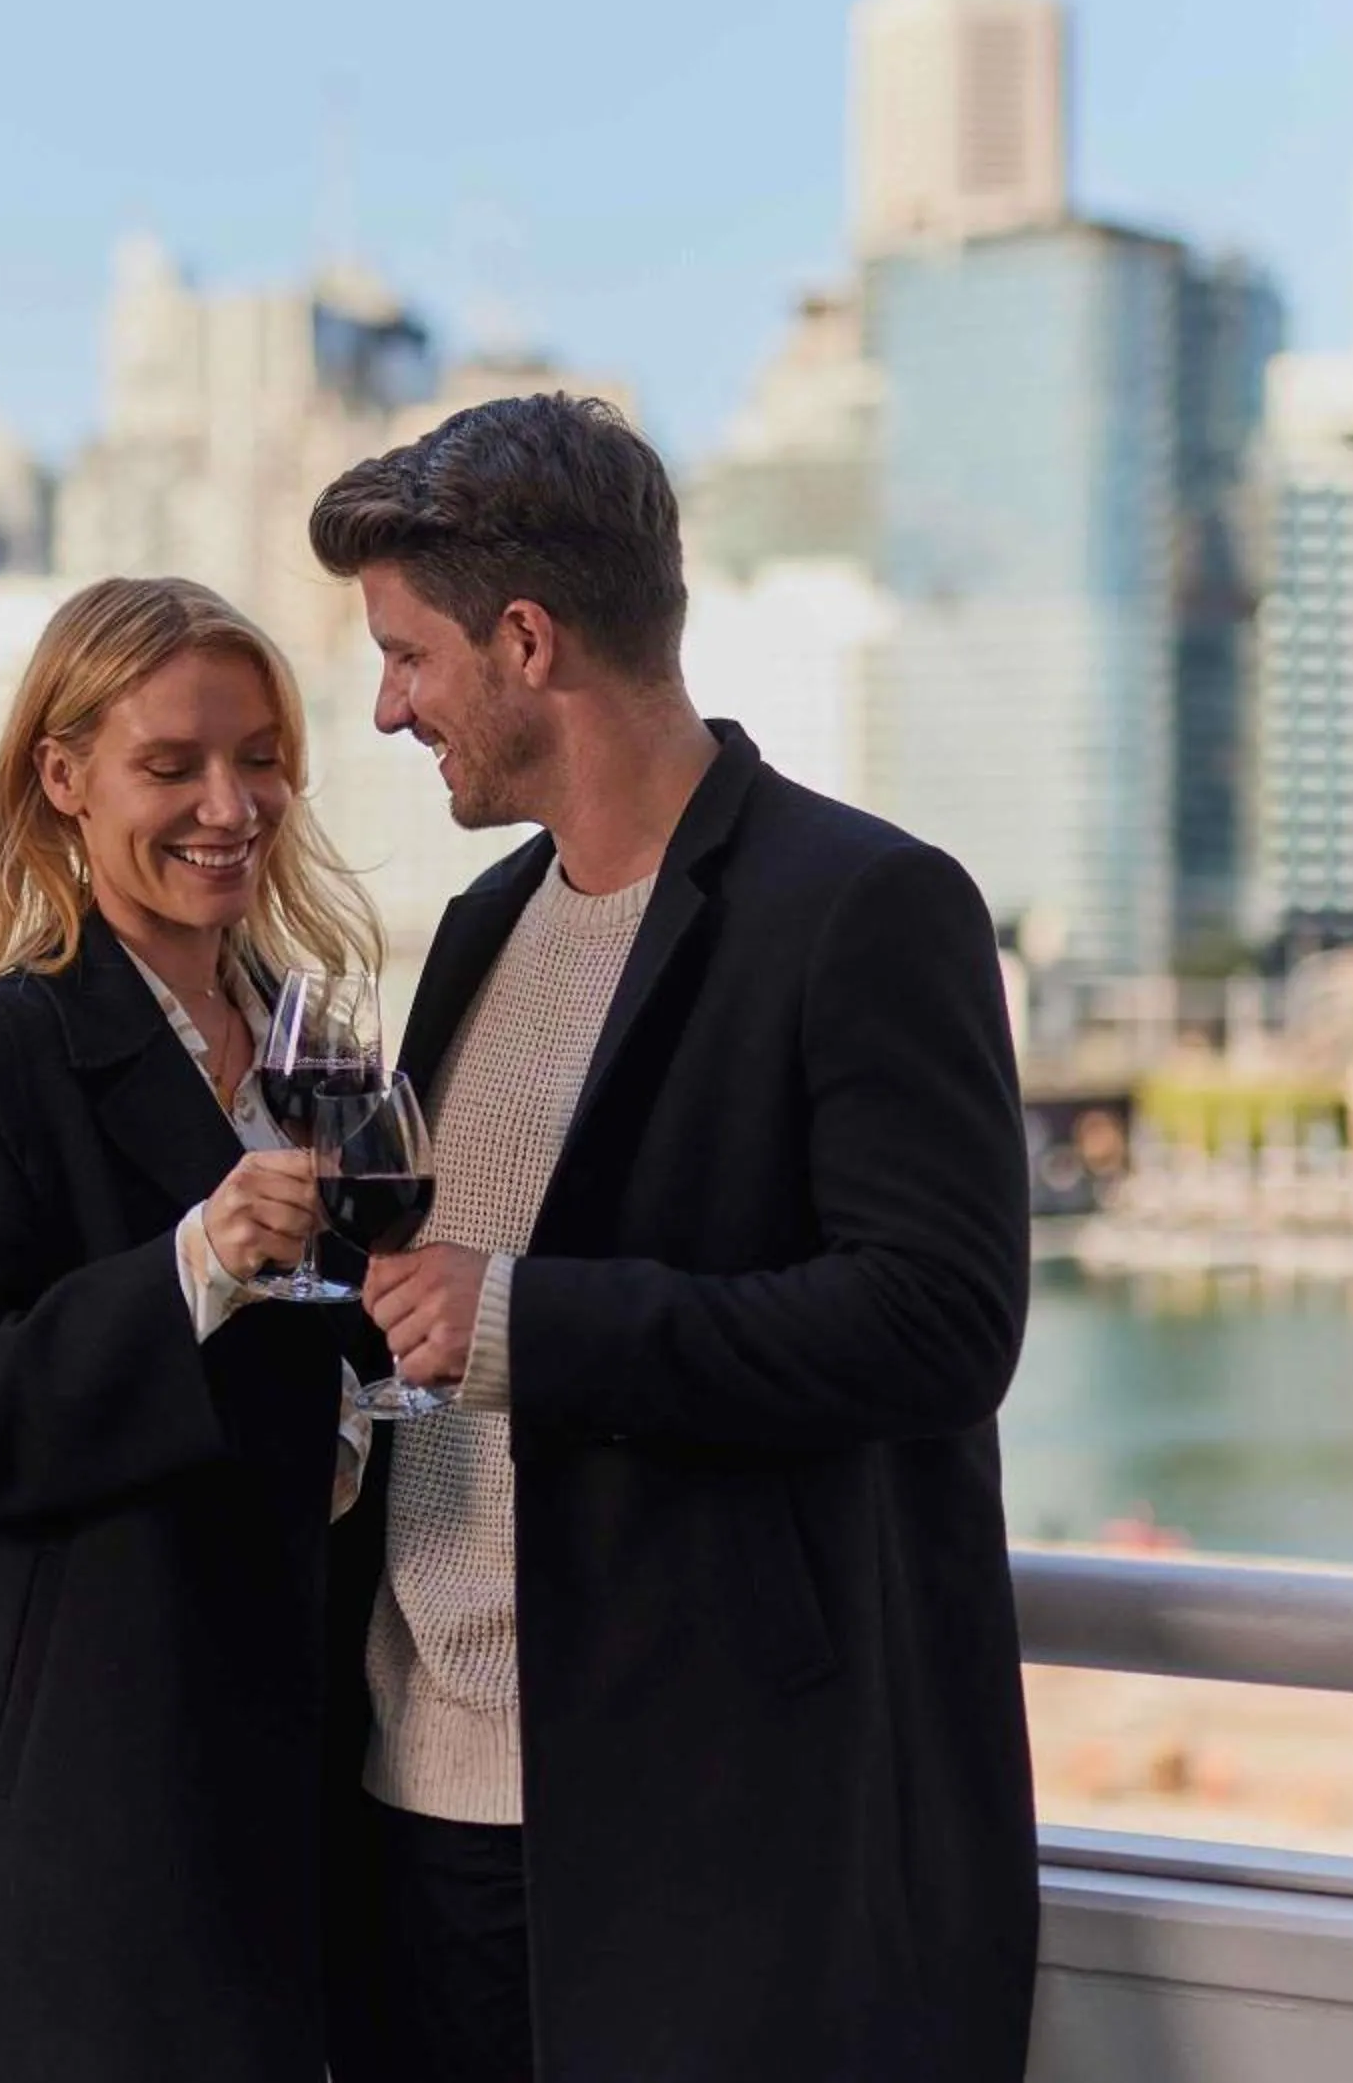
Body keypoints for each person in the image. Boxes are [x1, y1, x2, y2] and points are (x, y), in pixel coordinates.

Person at [309, 396, 1039, 2082]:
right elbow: (423, 1307)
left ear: (527, 640)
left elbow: (937, 1323)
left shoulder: (869, 905)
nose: (388, 703)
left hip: (700, 1854)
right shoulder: (482, 925)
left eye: (409, 656)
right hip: (413, 1822)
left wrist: (527, 1324)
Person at [0, 575, 384, 2083]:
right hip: (90, 1823)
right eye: (175, 764)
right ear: (61, 778)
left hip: (305, 1792)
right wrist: (194, 1262)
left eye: (262, 756)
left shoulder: (309, 1051)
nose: (232, 802)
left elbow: (347, 1367)